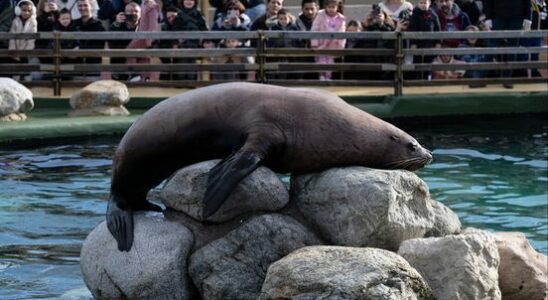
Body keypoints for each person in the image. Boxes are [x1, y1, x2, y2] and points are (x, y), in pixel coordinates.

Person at [483, 0, 532, 88]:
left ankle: (507, 78)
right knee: (490, 47)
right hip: (497, 16)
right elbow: (487, 2)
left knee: (512, 50)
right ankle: (481, 78)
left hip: (517, 17)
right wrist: (488, 18)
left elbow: (527, 2)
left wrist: (528, 17)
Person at [172, 0, 209, 79]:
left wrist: (204, 41)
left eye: (191, 0)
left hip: (195, 46)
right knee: (182, 67)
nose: (189, 2)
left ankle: (191, 83)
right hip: (182, 46)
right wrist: (176, 41)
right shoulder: (179, 16)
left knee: (192, 68)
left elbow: (204, 30)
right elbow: (174, 30)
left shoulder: (199, 15)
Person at [310, 0, 345, 81]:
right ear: (326, 7)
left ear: (337, 8)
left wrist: (340, 46)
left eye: (333, 7)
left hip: (333, 44)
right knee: (320, 60)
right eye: (329, 7)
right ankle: (322, 75)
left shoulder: (341, 18)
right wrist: (314, 43)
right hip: (321, 43)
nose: (331, 9)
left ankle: (328, 76)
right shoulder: (320, 15)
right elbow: (314, 28)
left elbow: (342, 33)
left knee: (330, 60)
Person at [408, 0, 441, 79]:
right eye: (421, 3)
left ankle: (427, 79)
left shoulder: (433, 15)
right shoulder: (415, 15)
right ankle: (417, 80)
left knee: (429, 63)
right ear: (418, 3)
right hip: (418, 43)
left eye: (425, 3)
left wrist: (438, 42)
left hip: (430, 43)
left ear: (429, 3)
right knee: (417, 63)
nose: (423, 5)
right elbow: (413, 29)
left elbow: (437, 29)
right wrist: (413, 44)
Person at [74, 0, 105, 78]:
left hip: (93, 68)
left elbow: (99, 47)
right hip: (76, 67)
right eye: (80, 6)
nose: (82, 8)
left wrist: (80, 49)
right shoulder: (74, 24)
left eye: (85, 5)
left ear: (91, 6)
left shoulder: (98, 26)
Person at [267, 8, 300, 79]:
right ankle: (272, 81)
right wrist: (270, 49)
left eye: (285, 18)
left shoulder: (294, 28)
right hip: (276, 53)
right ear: (278, 19)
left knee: (286, 70)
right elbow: (270, 40)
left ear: (289, 18)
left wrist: (297, 49)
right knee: (273, 70)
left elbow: (298, 39)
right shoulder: (274, 28)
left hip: (290, 53)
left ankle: (285, 81)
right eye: (281, 19)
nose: (283, 21)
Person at [9, 0, 37, 81]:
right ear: (18, 10)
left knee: (26, 69)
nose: (26, 12)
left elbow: (32, 39)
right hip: (16, 50)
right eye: (24, 10)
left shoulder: (33, 22)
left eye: (29, 10)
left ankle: (28, 84)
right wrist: (13, 51)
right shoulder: (15, 21)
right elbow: (12, 36)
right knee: (16, 70)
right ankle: (15, 84)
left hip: (26, 52)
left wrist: (27, 51)